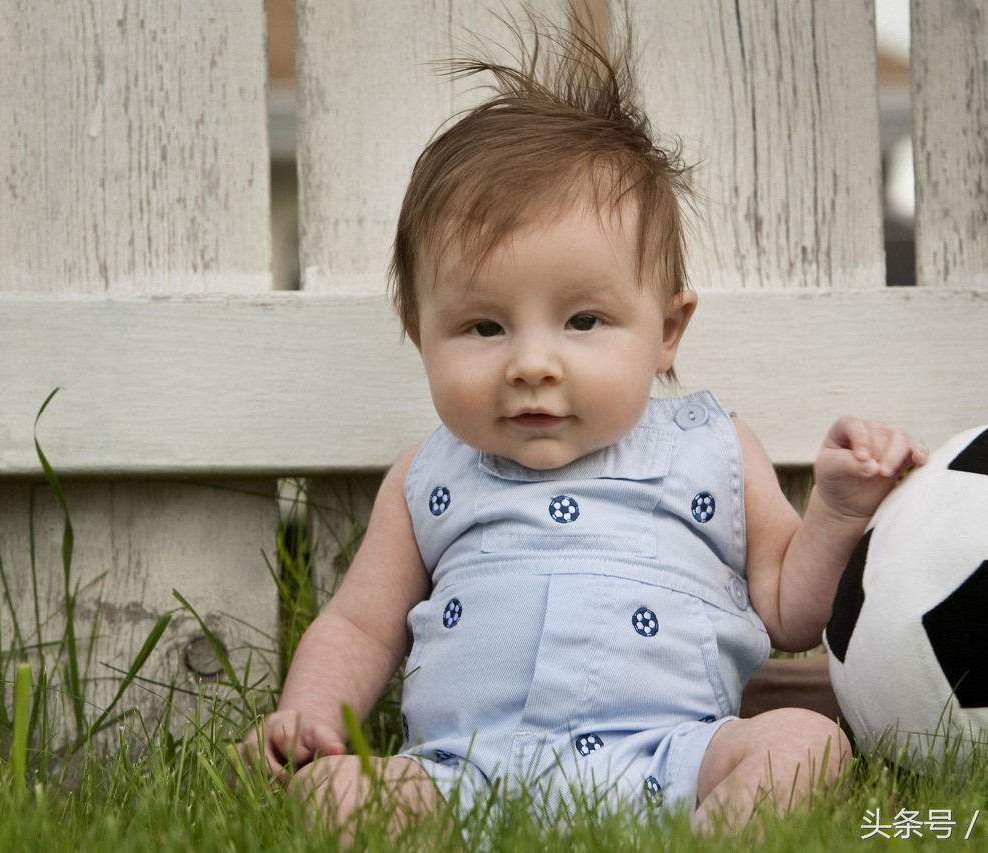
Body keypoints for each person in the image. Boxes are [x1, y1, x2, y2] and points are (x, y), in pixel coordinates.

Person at [238, 11, 926, 835]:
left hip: (671, 756)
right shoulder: (429, 478)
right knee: (334, 796)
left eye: (583, 321)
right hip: (461, 772)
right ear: (420, 332)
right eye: (484, 328)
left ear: (666, 329)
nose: (532, 362)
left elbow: (787, 609)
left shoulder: (709, 449)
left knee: (806, 742)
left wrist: (839, 509)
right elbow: (357, 624)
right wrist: (308, 715)